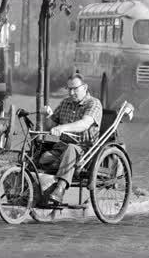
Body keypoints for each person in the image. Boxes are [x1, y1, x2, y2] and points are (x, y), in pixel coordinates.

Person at [39, 73, 103, 205]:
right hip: (62, 147)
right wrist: (47, 116)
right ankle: (38, 190)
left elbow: (84, 124)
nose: (71, 92)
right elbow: (50, 126)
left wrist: (63, 128)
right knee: (42, 157)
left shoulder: (94, 104)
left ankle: (60, 189)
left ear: (85, 87)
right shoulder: (65, 103)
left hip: (85, 151)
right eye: (69, 89)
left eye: (75, 89)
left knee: (71, 149)